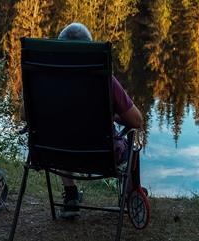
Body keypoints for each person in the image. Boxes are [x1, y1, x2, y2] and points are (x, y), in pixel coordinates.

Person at [55, 22, 143, 219]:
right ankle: (129, 195)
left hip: (54, 152)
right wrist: (114, 115)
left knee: (62, 134)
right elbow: (137, 120)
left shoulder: (45, 76)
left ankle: (71, 197)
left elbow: (25, 114)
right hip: (102, 154)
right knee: (131, 144)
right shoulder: (104, 80)